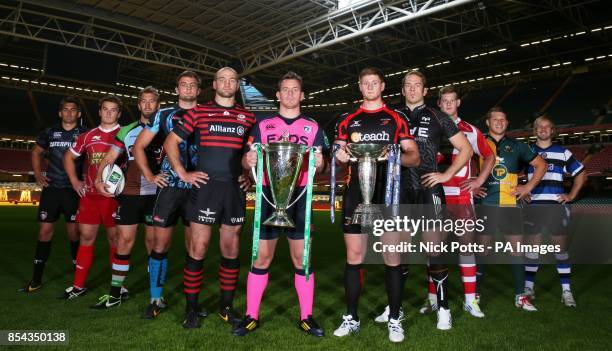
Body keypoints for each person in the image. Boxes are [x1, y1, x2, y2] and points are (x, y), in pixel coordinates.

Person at [374, 73, 473, 331]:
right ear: (403, 89)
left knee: (434, 250)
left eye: (417, 85)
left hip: (429, 191)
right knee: (399, 254)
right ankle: (396, 308)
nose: (412, 89)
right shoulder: (392, 117)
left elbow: (466, 149)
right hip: (399, 191)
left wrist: (447, 174)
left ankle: (443, 309)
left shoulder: (438, 117)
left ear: (425, 90)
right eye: (408, 85)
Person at [233, 71, 328, 337]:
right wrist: (247, 161)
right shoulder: (263, 126)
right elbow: (245, 159)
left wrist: (321, 164)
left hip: (299, 198)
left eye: (294, 89)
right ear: (277, 95)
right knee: (261, 257)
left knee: (302, 258)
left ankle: (306, 317)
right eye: (285, 89)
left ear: (302, 95)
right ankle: (252, 315)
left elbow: (322, 165)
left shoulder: (313, 127)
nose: (289, 94)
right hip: (268, 196)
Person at [332, 67, 420, 343]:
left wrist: (391, 157)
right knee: (354, 257)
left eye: (375, 82)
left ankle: (395, 319)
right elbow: (336, 157)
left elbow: (414, 158)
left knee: (391, 257)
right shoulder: (347, 120)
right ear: (360, 86)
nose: (370, 86)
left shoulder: (397, 118)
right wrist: (340, 157)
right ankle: (351, 317)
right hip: (357, 194)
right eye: (365, 83)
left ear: (382, 86)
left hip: (389, 195)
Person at [164, 67, 255, 329]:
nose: (227, 83)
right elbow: (172, 143)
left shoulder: (248, 117)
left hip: (233, 189)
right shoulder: (198, 112)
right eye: (222, 79)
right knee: (198, 248)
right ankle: (191, 308)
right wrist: (183, 172)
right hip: (205, 188)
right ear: (214, 84)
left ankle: (226, 307)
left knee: (230, 248)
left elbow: (250, 155)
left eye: (232, 80)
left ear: (237, 85)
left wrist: (248, 175)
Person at [133, 71, 201, 318]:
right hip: (170, 187)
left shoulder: (206, 113)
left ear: (199, 90)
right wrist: (150, 176)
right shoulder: (162, 115)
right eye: (184, 85)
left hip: (198, 187)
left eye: (193, 85)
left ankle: (192, 302)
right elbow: (138, 146)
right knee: (160, 245)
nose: (188, 89)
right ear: (177, 89)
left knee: (195, 246)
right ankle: (155, 299)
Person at [90, 86, 163, 309]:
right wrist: (98, 179)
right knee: (124, 243)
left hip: (156, 196)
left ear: (158, 105)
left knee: (154, 245)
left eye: (152, 101)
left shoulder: (166, 129)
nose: (148, 105)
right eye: (144, 101)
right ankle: (115, 294)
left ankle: (155, 296)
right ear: (139, 105)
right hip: (130, 195)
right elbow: (110, 158)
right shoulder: (127, 131)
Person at [475, 106, 547, 311]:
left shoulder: (517, 145)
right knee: (482, 251)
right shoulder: (478, 144)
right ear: (487, 123)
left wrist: (528, 187)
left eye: (503, 119)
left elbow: (541, 165)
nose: (499, 122)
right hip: (485, 205)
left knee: (516, 252)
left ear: (507, 123)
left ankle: (520, 296)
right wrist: (472, 186)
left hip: (510, 205)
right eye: (495, 119)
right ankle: (475, 295)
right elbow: (463, 165)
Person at [59, 95, 124, 300]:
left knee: (116, 240)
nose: (108, 113)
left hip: (114, 197)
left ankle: (118, 287)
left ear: (118, 113)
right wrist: (75, 181)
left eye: (113, 110)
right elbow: (68, 157)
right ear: (99, 111)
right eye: (105, 109)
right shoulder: (88, 136)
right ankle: (78, 286)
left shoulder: (125, 134)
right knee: (86, 238)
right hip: (90, 196)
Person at [20, 96, 88, 293]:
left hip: (72, 190)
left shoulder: (84, 133)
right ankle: (36, 280)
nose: (68, 113)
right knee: (44, 233)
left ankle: (78, 283)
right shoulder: (50, 132)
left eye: (73, 109)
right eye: (65, 109)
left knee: (74, 233)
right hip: (51, 191)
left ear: (78, 113)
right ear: (60, 113)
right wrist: (39, 175)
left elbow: (94, 156)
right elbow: (35, 153)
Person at [523, 115, 586, 307]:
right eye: (539, 127)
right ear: (535, 131)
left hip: (556, 206)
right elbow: (509, 173)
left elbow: (581, 174)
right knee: (532, 249)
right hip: (533, 206)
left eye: (547, 127)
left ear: (552, 131)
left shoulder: (563, 152)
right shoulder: (526, 151)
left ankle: (566, 291)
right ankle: (528, 288)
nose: (543, 129)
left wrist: (571, 196)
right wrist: (522, 190)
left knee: (560, 250)